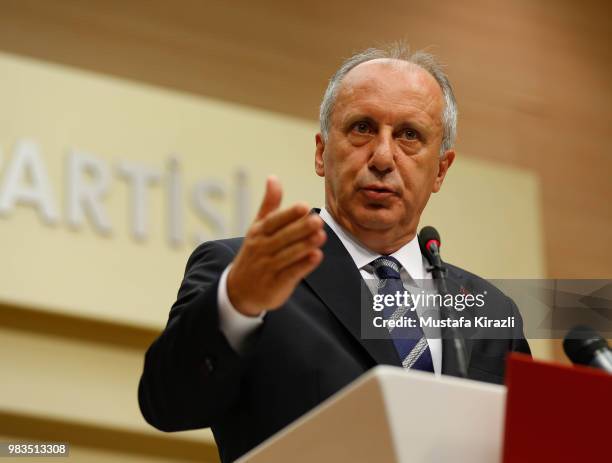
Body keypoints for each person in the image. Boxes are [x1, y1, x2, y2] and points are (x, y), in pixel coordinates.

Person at [138, 44, 530, 463]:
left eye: (409, 136)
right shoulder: (248, 275)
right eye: (362, 128)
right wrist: (237, 302)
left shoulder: (489, 311)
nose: (382, 157)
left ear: (441, 169)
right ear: (322, 152)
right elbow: (168, 404)